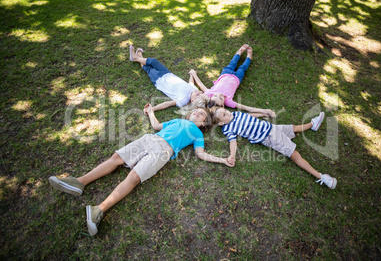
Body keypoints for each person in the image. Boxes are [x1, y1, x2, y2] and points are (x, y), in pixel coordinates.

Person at [49, 104, 233, 236]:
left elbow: (201, 154)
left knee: (133, 178)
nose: (196, 113)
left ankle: (98, 209)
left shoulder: (198, 134)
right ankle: (79, 182)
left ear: (203, 124)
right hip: (149, 139)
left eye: (201, 114)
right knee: (115, 159)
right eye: (196, 110)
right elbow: (156, 126)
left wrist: (223, 160)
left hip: (163, 151)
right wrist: (151, 112)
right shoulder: (177, 120)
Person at [210, 107, 337, 189]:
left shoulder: (236, 114)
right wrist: (232, 155)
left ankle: (312, 125)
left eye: (226, 110)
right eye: (225, 115)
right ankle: (321, 177)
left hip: (270, 127)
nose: (228, 113)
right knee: (294, 154)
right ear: (221, 123)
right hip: (269, 136)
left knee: (292, 128)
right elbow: (233, 142)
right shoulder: (228, 129)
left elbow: (250, 115)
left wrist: (264, 113)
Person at [189, 44, 276, 118]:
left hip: (225, 73)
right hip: (237, 77)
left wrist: (194, 74)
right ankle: (249, 57)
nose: (220, 94)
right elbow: (247, 108)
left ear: (211, 97)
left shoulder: (209, 93)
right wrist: (265, 111)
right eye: (221, 98)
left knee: (233, 63)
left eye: (216, 95)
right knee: (243, 67)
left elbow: (200, 84)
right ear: (223, 105)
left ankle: (239, 52)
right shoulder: (228, 101)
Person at [129, 45, 208, 111]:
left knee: (148, 68)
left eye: (198, 95)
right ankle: (138, 58)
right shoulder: (194, 90)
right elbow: (191, 83)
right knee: (153, 61)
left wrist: (152, 109)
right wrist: (191, 75)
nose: (199, 92)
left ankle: (137, 57)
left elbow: (167, 104)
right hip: (167, 73)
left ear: (192, 101)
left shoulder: (183, 100)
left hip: (159, 80)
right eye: (201, 93)